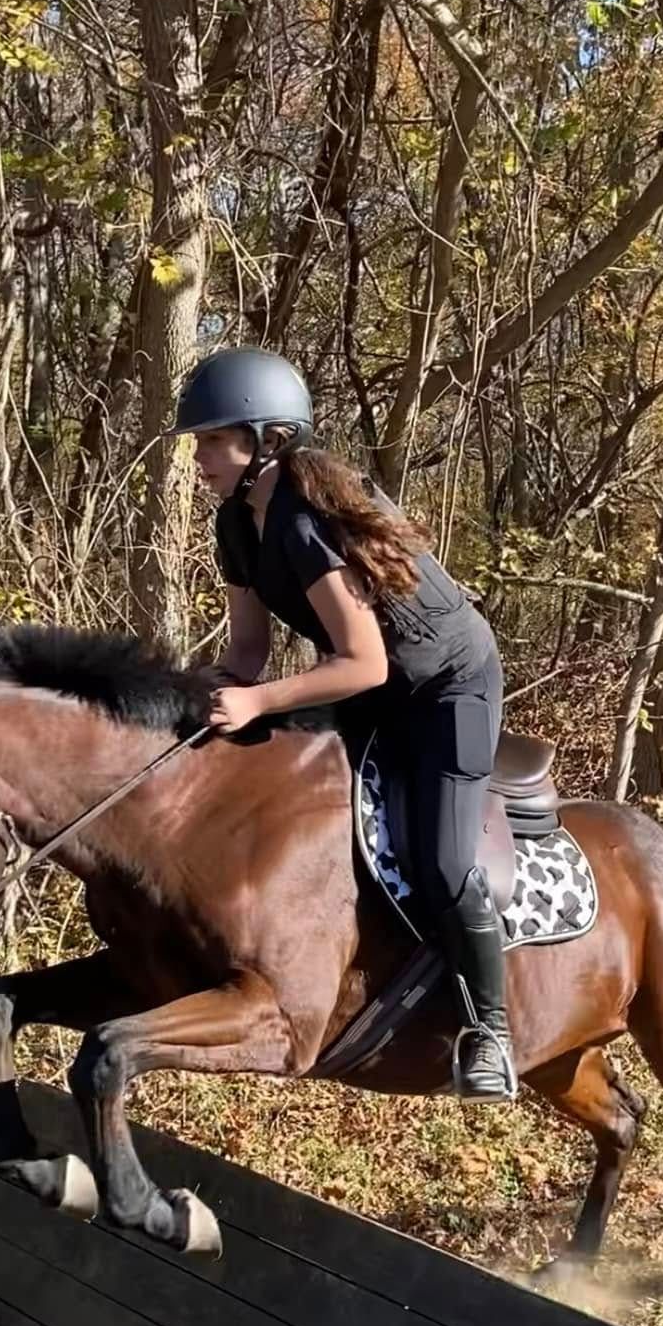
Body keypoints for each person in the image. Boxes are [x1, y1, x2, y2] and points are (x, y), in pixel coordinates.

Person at [171, 344, 515, 1102]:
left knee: (444, 862)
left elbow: (363, 663)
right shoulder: (237, 525)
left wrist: (257, 703)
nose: (199, 458)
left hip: (447, 686)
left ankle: (490, 1032)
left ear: (264, 440)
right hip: (378, 684)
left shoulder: (303, 523)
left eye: (210, 441)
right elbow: (249, 650)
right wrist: (194, 694)